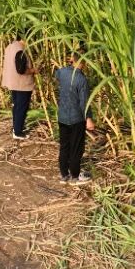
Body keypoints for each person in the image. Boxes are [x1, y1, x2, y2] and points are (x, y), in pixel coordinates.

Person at [54, 43, 94, 184]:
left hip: (63, 116)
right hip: (77, 118)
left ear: (73, 60)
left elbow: (56, 74)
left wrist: (68, 64)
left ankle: (64, 174)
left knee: (64, 145)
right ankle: (75, 176)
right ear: (83, 62)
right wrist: (88, 118)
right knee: (76, 147)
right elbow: (84, 102)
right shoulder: (82, 80)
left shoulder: (63, 72)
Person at [1, 35, 37, 140]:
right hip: (22, 84)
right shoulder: (20, 50)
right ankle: (17, 132)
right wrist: (33, 71)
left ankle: (16, 127)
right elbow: (21, 70)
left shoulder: (10, 46)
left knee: (17, 106)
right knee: (21, 108)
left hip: (12, 82)